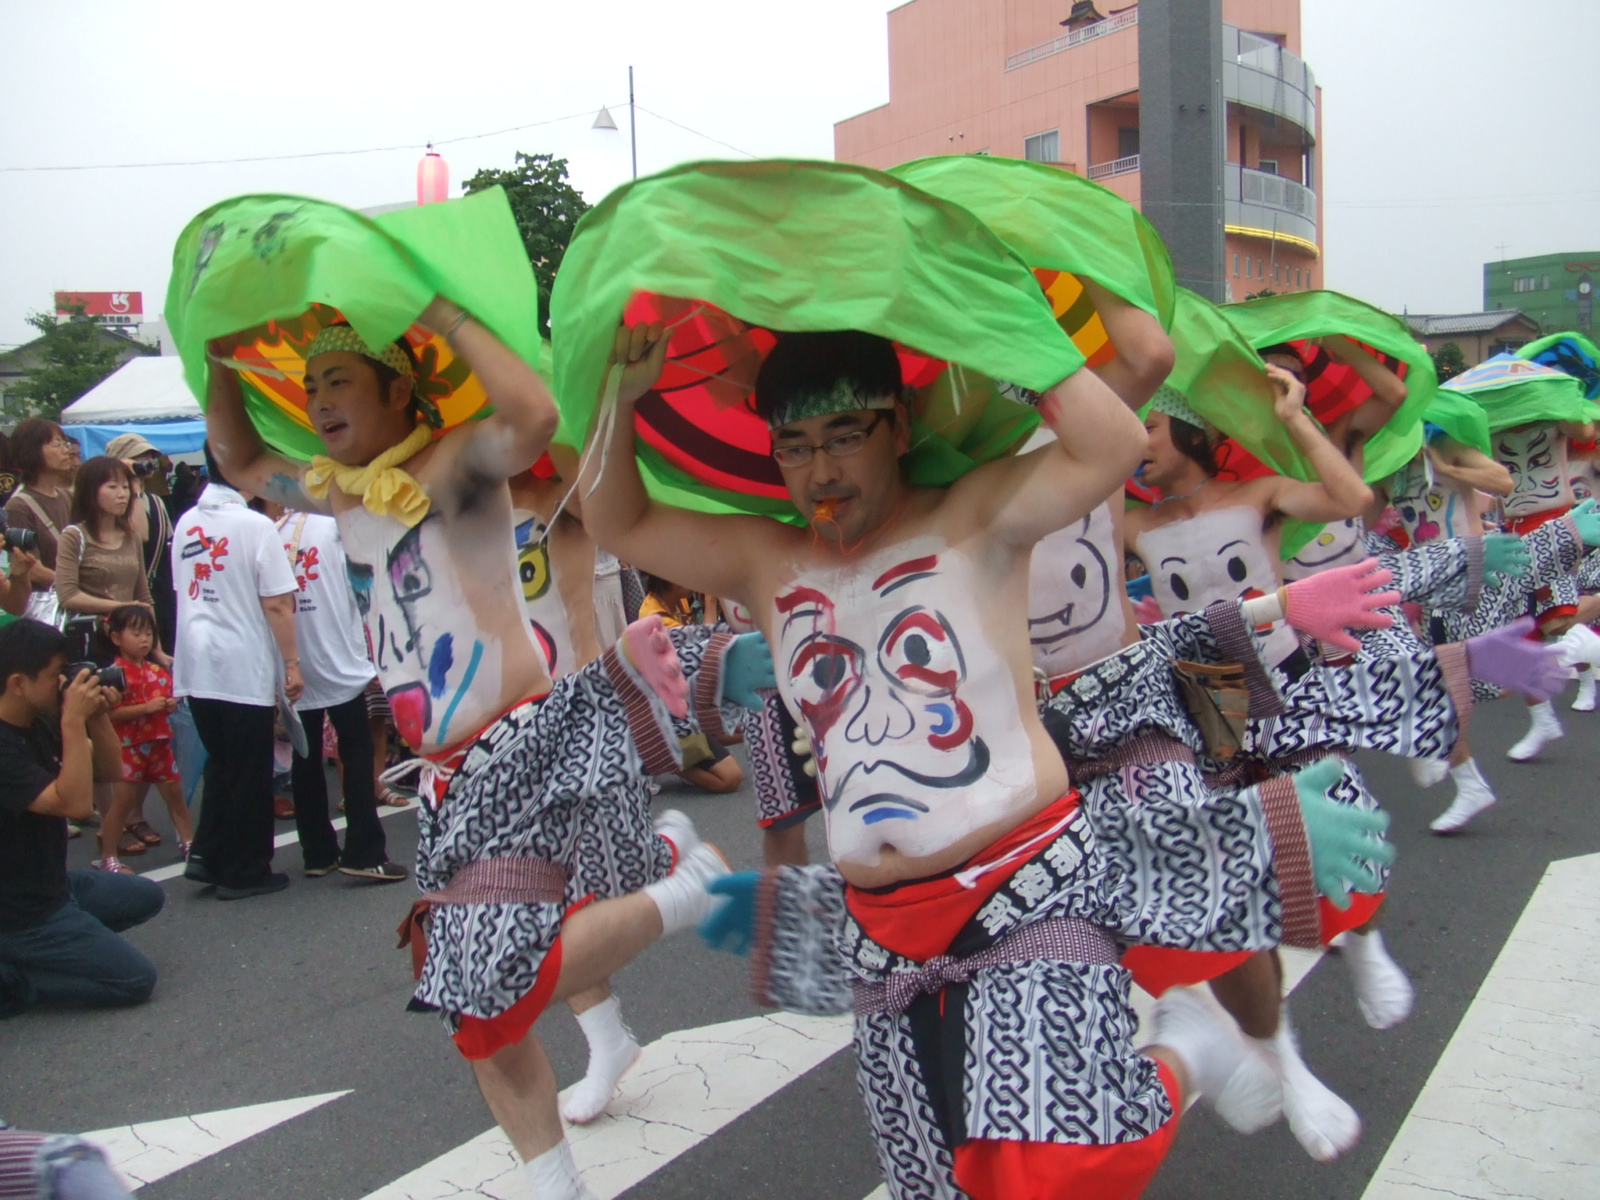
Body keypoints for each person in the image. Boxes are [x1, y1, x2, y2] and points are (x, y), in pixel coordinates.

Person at [583, 318, 1397, 1199]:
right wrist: (622, 401)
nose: (820, 472)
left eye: (844, 437)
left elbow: (1113, 439)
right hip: (884, 937)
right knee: (937, 1185)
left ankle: (1194, 1050)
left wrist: (984, 313)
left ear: (897, 426)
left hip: (1027, 888)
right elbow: (616, 517)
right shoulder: (766, 558)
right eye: (795, 446)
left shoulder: (977, 512)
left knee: (1064, 1160)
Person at [203, 300, 743, 1200]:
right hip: (448, 774)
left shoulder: (455, 465)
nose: (318, 400)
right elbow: (239, 458)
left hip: (529, 740)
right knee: (486, 1003)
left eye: (338, 380)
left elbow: (532, 415)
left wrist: (444, 315)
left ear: (399, 387)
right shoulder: (340, 490)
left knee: (496, 974)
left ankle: (682, 887)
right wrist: (221, 362)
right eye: (308, 387)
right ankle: (563, 1158)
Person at [0, 618, 162, 1018]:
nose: (65, 683)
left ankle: (58, 947)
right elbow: (74, 805)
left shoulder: (36, 720)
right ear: (18, 683)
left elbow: (111, 770)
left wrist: (96, 717)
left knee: (147, 897)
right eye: (57, 675)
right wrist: (73, 719)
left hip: (52, 884)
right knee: (134, 980)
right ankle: (14, 979)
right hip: (19, 912)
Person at [171, 446, 305, 900]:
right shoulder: (255, 525)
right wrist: (291, 662)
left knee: (223, 764)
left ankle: (209, 855)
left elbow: (181, 590)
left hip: (196, 661)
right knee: (249, 770)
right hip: (239, 663)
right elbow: (277, 602)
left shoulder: (187, 521)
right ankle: (246, 870)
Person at [273, 506, 405, 882]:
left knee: (306, 753)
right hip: (337, 653)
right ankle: (364, 851)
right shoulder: (337, 529)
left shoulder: (277, 529)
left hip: (295, 654)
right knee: (357, 749)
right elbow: (368, 587)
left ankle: (317, 851)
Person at [103, 604, 194, 870]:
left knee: (175, 795)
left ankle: (189, 842)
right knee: (122, 802)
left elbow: (171, 698)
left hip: (160, 743)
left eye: (148, 634)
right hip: (129, 746)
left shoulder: (156, 671)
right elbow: (111, 714)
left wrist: (171, 704)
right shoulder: (114, 674)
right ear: (116, 638)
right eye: (136, 633)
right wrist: (146, 708)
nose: (144, 640)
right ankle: (109, 855)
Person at [105, 433, 178, 658]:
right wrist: (132, 485)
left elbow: (166, 545)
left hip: (160, 594)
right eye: (139, 458)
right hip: (127, 597)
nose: (147, 463)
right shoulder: (113, 503)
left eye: (150, 457)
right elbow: (140, 535)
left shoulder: (155, 501)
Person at [4, 419, 78, 626]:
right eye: (57, 444)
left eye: (65, 443)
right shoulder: (19, 506)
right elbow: (30, 568)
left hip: (76, 604)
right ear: (32, 452)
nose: (66, 451)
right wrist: (76, 588)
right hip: (50, 614)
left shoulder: (67, 497)